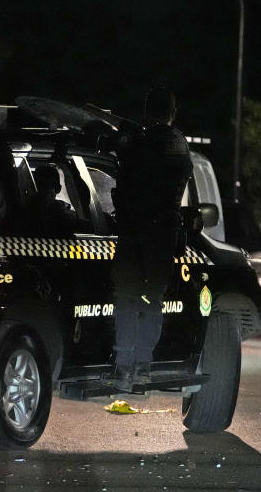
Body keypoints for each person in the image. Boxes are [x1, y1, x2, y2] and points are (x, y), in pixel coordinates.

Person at [103, 86, 192, 388]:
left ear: (146, 110)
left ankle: (124, 368)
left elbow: (121, 151)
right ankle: (143, 366)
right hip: (164, 235)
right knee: (152, 301)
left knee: (127, 299)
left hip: (136, 233)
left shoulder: (141, 143)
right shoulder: (179, 143)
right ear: (173, 111)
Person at [31, 165, 79, 235]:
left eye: (46, 186)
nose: (43, 193)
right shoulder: (63, 214)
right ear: (58, 189)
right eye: (42, 186)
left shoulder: (22, 210)